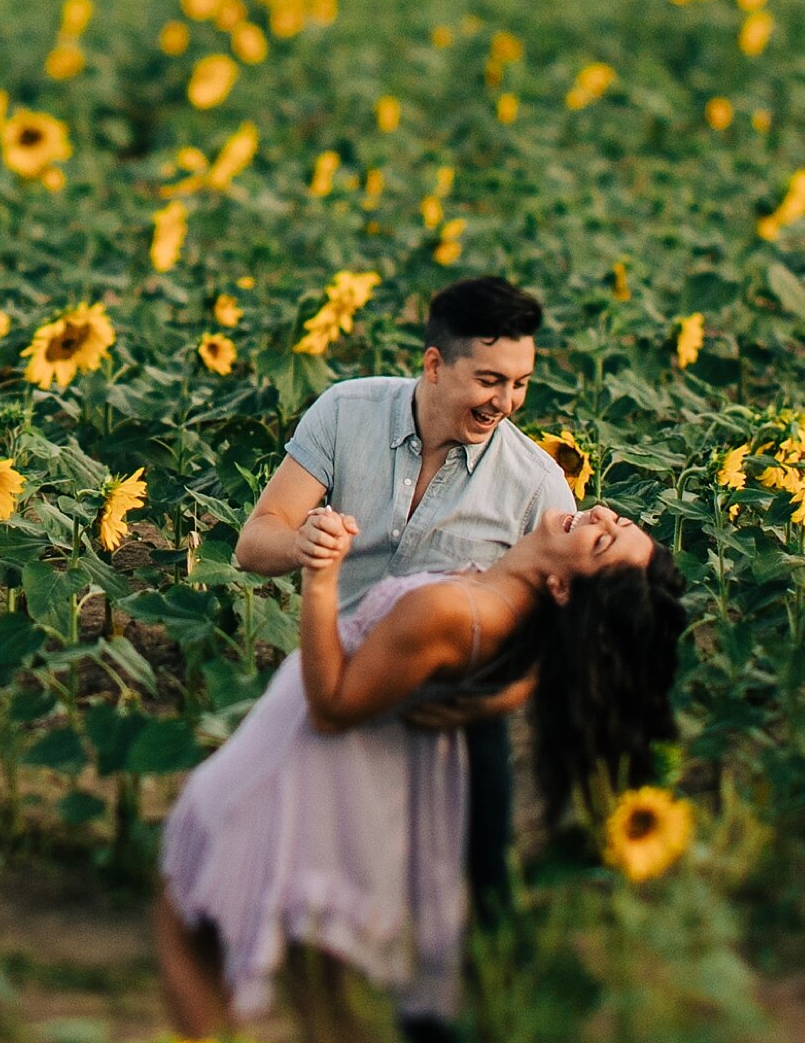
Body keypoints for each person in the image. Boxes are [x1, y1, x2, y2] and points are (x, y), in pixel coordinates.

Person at [154, 503, 684, 1036]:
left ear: (563, 590)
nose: (598, 514)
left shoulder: (455, 611)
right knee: (322, 996)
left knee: (189, 932)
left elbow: (332, 707)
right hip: (350, 787)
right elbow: (567, 649)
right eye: (618, 521)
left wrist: (321, 577)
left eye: (602, 541)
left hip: (297, 768)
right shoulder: (512, 614)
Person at [231, 275, 576, 927]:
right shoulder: (345, 412)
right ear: (434, 364)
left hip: (447, 701)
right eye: (490, 380)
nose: (505, 401)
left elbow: (564, 629)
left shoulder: (536, 485)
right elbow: (254, 542)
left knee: (481, 859)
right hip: (336, 670)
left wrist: (498, 696)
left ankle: (489, 950)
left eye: (520, 382)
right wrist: (304, 541)